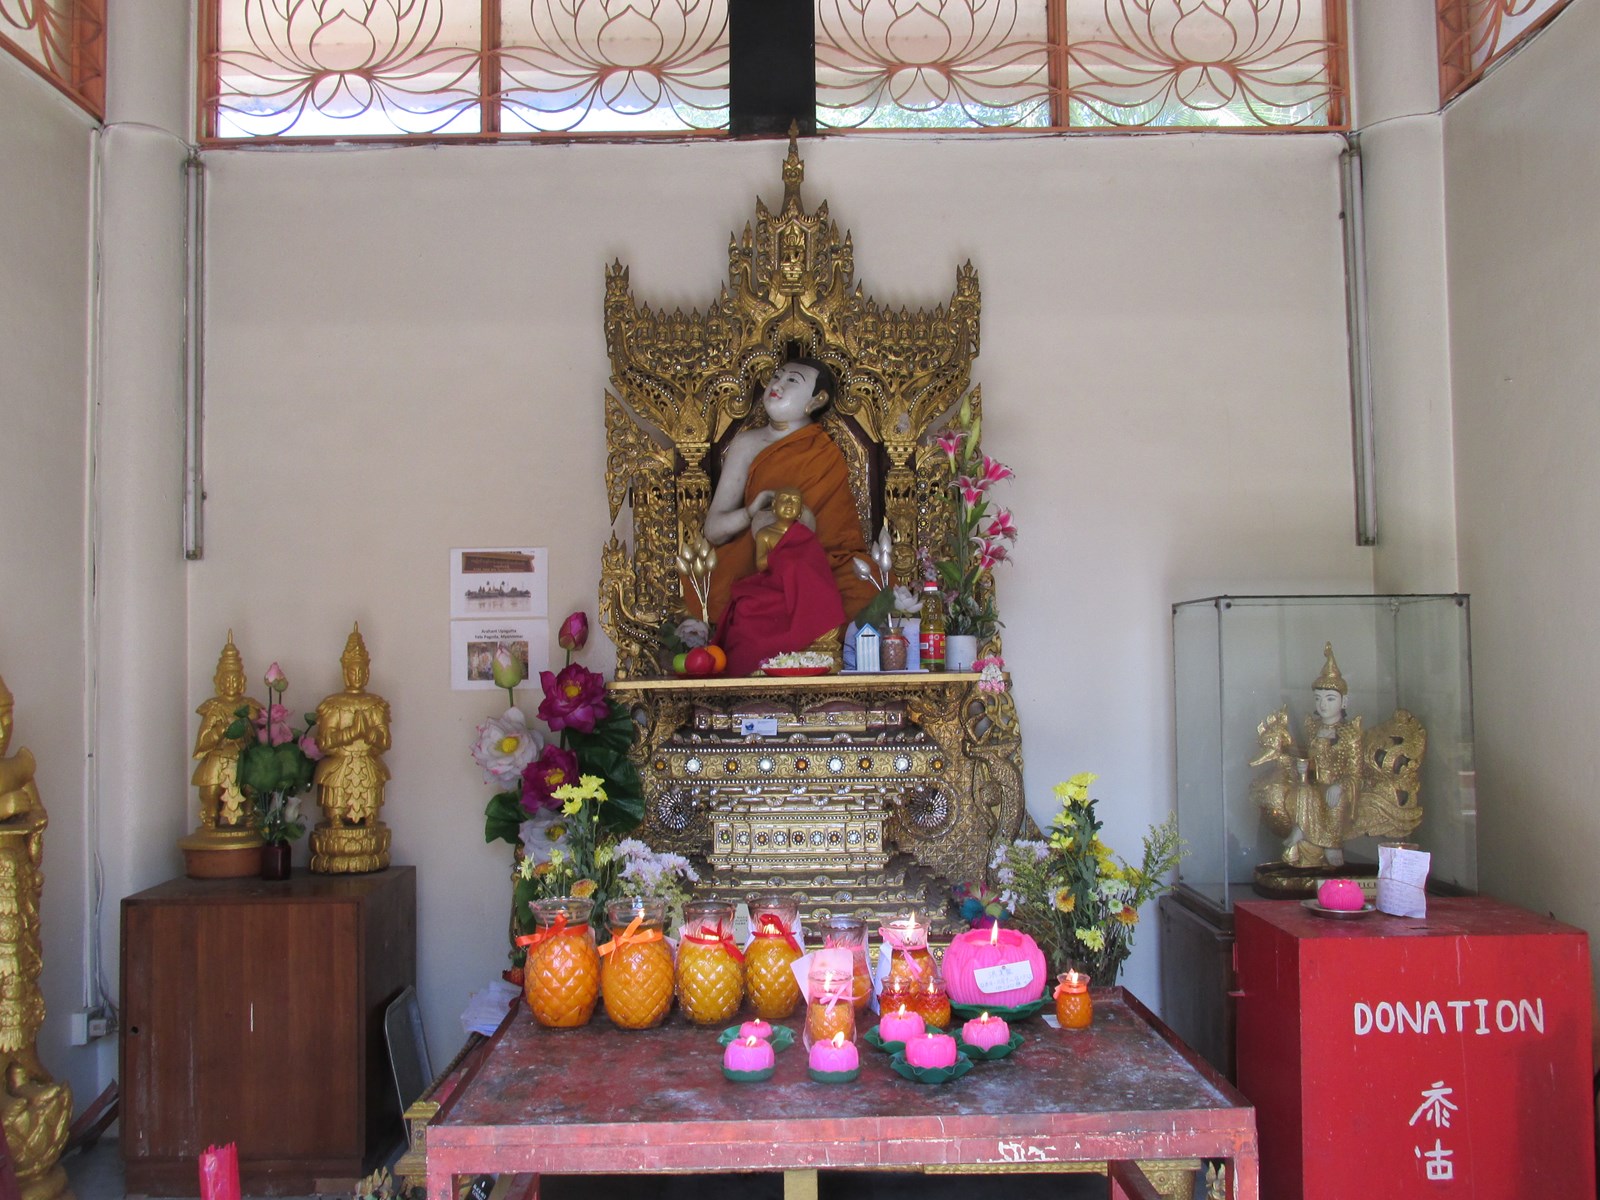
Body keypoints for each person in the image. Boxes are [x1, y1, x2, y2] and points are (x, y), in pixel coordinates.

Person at [697, 358, 877, 625]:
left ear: (816, 399)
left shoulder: (824, 452)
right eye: (776, 376)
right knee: (720, 590)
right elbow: (713, 530)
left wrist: (799, 539)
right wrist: (751, 512)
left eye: (792, 380)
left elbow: (839, 539)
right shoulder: (746, 444)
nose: (777, 385)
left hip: (816, 562)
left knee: (866, 587)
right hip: (754, 560)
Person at [717, 488, 847, 676]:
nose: (789, 504)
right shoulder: (765, 534)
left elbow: (817, 570)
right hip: (773, 585)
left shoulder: (805, 536)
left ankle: (808, 645)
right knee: (745, 607)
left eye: (794, 501)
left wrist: (795, 566)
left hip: (800, 589)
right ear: (773, 507)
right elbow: (760, 564)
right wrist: (783, 559)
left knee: (827, 601)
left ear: (801, 511)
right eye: (784, 500)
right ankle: (760, 656)